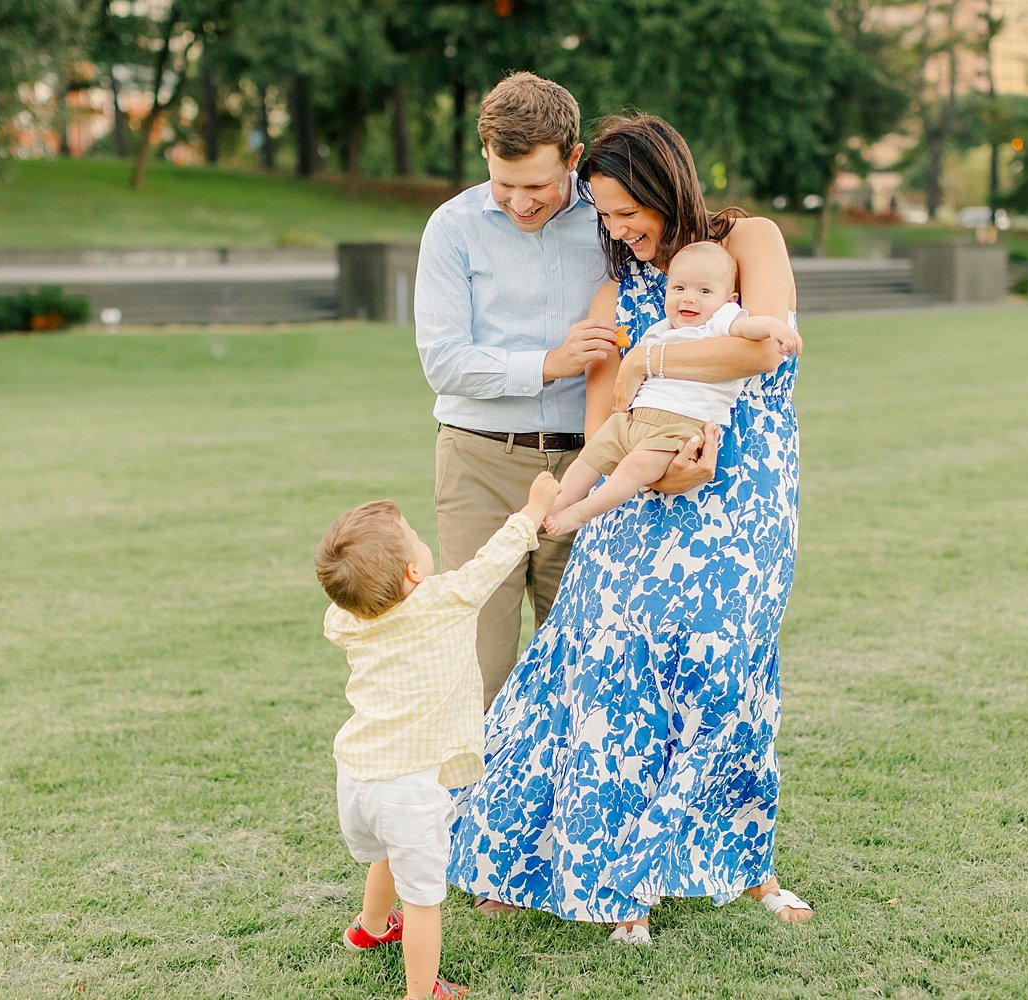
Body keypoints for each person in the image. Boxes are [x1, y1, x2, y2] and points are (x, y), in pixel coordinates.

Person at [447, 114, 812, 944]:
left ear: (664, 184)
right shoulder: (617, 292)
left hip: (747, 496)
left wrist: (650, 361)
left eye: (624, 212)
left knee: (728, 675)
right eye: (605, 218)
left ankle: (744, 865)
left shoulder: (751, 241)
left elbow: (765, 354)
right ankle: (607, 877)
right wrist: (648, 404)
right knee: (613, 680)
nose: (617, 231)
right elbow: (605, 412)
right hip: (637, 499)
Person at [416, 72, 635, 707]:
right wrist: (551, 362)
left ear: (573, 158)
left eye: (536, 186)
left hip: (590, 465)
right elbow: (444, 362)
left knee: (583, 661)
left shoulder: (610, 219)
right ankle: (469, 806)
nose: (518, 201)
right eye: (503, 183)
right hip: (479, 465)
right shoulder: (451, 228)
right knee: (479, 665)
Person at [315, 471, 562, 999]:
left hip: (357, 777)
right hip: (409, 787)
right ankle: (421, 991)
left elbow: (341, 607)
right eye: (418, 539)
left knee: (387, 851)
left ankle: (371, 927)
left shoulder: (349, 621)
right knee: (424, 898)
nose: (425, 543)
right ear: (412, 570)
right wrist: (534, 508)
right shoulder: (442, 602)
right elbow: (490, 564)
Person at [543, 241, 798, 535]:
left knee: (635, 466)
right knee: (588, 459)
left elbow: (749, 328)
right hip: (634, 420)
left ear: (729, 300)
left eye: (704, 291)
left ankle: (580, 513)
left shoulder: (718, 323)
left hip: (679, 427)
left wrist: (774, 328)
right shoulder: (660, 330)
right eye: (679, 289)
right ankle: (551, 506)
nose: (689, 299)